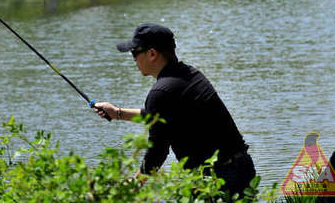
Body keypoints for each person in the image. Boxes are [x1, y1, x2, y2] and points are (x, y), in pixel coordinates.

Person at [93, 23, 256, 197]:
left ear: (152, 54)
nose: (133, 59)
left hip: (217, 179)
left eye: (135, 53)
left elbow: (157, 152)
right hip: (242, 168)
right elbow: (160, 117)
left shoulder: (161, 92)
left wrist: (132, 186)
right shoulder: (189, 75)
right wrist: (117, 113)